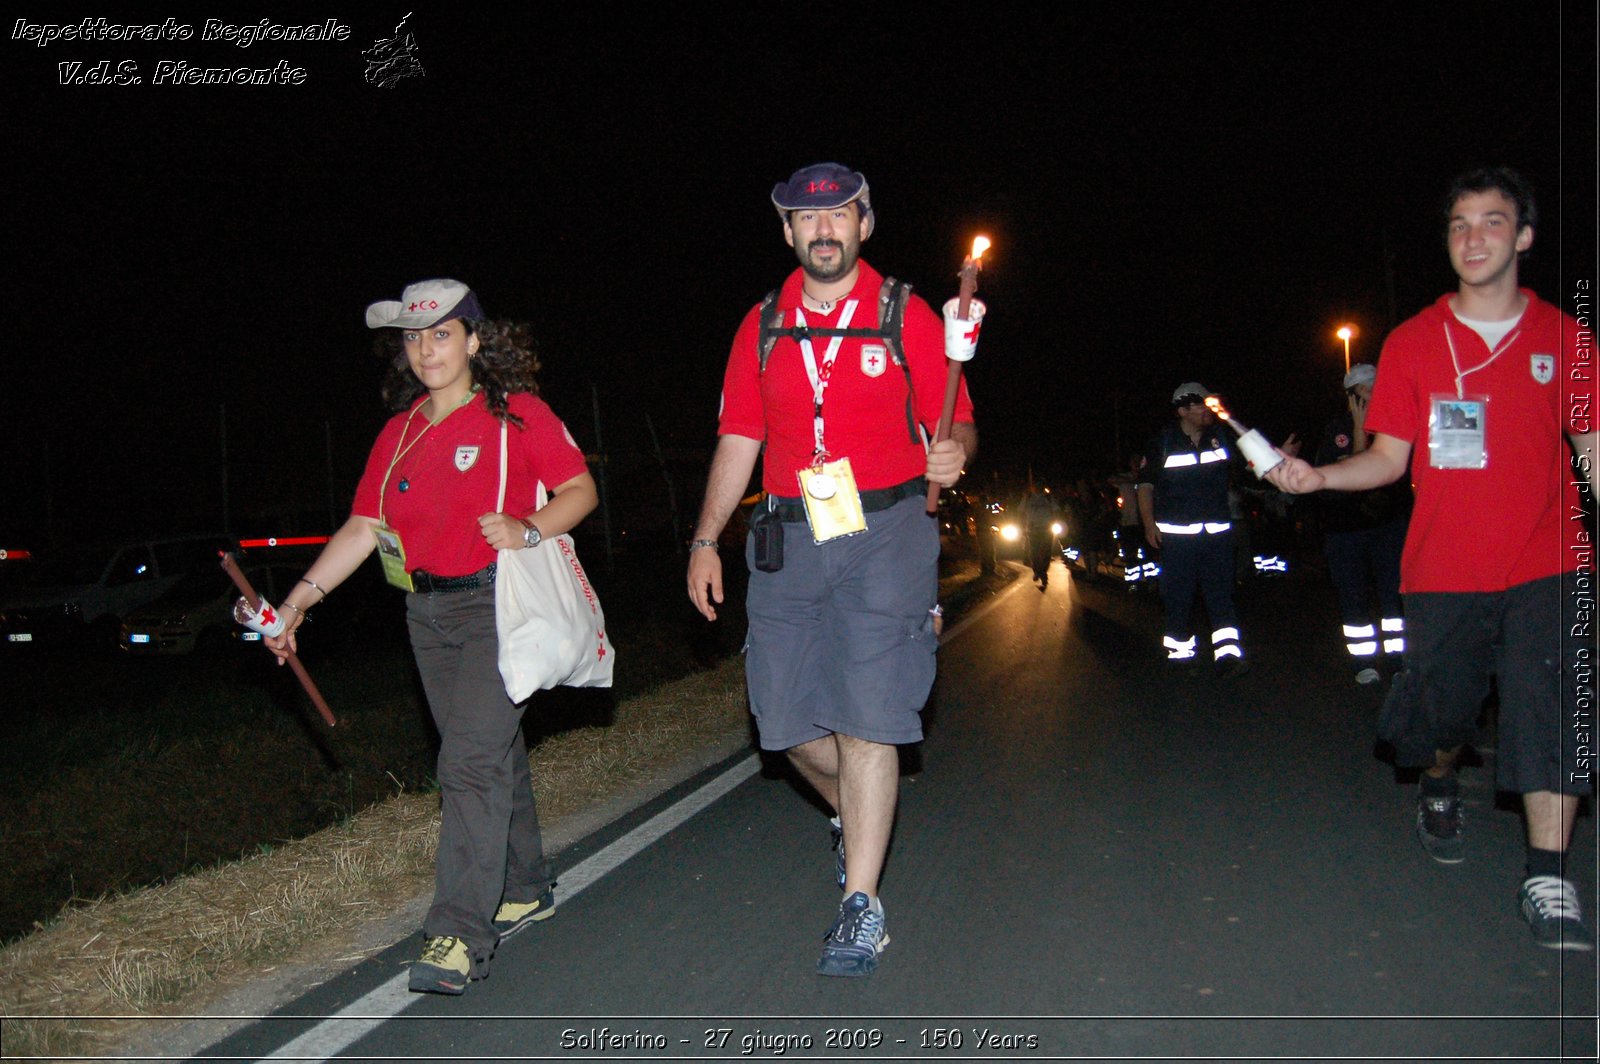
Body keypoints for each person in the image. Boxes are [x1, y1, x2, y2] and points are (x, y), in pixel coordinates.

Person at [1267, 167, 1595, 950]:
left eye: (1491, 222)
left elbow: (1591, 447)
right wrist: (1319, 478)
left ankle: (1548, 874)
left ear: (1523, 237)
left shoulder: (1568, 339)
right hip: (1444, 567)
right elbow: (1388, 458)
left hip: (1552, 560)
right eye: (1458, 225)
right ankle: (1443, 775)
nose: (1473, 238)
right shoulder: (1414, 342)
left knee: (1550, 706)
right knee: (1443, 714)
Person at [266, 279, 599, 991]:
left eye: (441, 334)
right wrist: (297, 603)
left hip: (497, 610)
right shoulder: (401, 432)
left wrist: (528, 527)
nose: (426, 350)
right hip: (426, 616)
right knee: (488, 753)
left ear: (475, 340)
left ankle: (456, 935)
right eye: (414, 339)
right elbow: (364, 529)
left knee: (469, 765)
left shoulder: (520, 415)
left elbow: (580, 490)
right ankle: (526, 884)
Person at [686, 163, 976, 977]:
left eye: (839, 217)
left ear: (864, 225)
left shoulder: (906, 313)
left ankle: (861, 904)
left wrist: (954, 453)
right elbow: (739, 438)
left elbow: (957, 425)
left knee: (869, 718)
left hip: (887, 533)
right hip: (787, 537)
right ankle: (858, 816)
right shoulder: (761, 325)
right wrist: (706, 539)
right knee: (784, 727)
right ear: (787, 233)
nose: (823, 231)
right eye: (807, 220)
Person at [1136, 383, 1248, 676]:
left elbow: (1247, 465)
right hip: (1178, 539)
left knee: (1221, 595)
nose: (1207, 410)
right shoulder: (1162, 442)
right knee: (1178, 597)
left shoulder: (1220, 438)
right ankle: (1180, 655)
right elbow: (1145, 486)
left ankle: (1228, 656)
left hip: (1218, 537)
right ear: (1182, 410)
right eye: (1200, 405)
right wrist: (1149, 524)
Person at [1312, 362, 1411, 684]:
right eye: (1366, 388)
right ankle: (1363, 663)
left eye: (1376, 385)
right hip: (1345, 531)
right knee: (1353, 597)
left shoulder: (1395, 424)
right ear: (1352, 396)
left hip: (1388, 526)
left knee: (1392, 594)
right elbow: (1347, 474)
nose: (1374, 391)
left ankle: (1399, 661)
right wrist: (1357, 429)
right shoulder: (1336, 430)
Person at [1020, 483, 1060, 587]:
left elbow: (1056, 510)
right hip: (1033, 530)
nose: (1038, 487)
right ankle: (1037, 571)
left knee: (1046, 553)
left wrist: (1055, 522)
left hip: (1046, 530)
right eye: (1036, 485)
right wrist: (1023, 526)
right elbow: (1020, 512)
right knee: (1034, 553)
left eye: (1040, 485)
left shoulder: (1048, 497)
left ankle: (1043, 573)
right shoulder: (1028, 498)